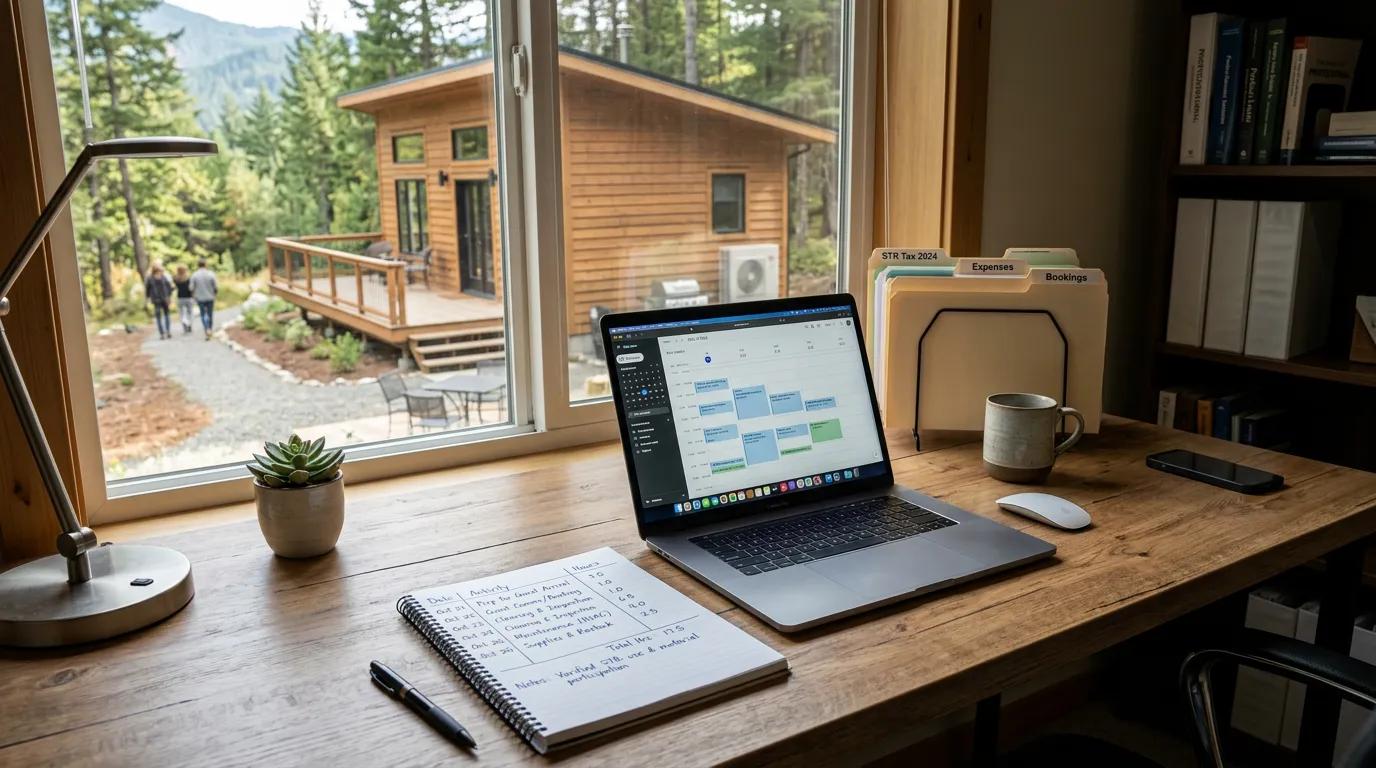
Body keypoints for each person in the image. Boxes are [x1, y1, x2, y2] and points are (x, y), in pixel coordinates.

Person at [189, 258, 218, 340]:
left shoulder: (194, 275)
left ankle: (206, 329)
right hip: (210, 297)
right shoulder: (211, 274)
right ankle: (210, 329)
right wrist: (215, 294)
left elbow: (191, 288)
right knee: (210, 314)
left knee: (203, 314)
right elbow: (215, 286)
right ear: (206, 264)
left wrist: (193, 296)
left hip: (200, 298)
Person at [144, 263, 174, 340]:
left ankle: (168, 331)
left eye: (160, 270)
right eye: (158, 270)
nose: (159, 272)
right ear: (154, 270)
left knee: (166, 315)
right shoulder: (150, 278)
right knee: (158, 317)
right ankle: (162, 333)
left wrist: (169, 296)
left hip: (165, 299)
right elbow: (147, 290)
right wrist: (147, 299)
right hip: (156, 299)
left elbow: (169, 287)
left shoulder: (163, 277)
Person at [173, 264, 195, 335]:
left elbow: (174, 286)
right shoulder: (189, 278)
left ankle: (184, 322)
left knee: (182, 313)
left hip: (180, 297)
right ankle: (189, 324)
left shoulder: (176, 278)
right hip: (189, 297)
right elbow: (191, 288)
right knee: (190, 312)